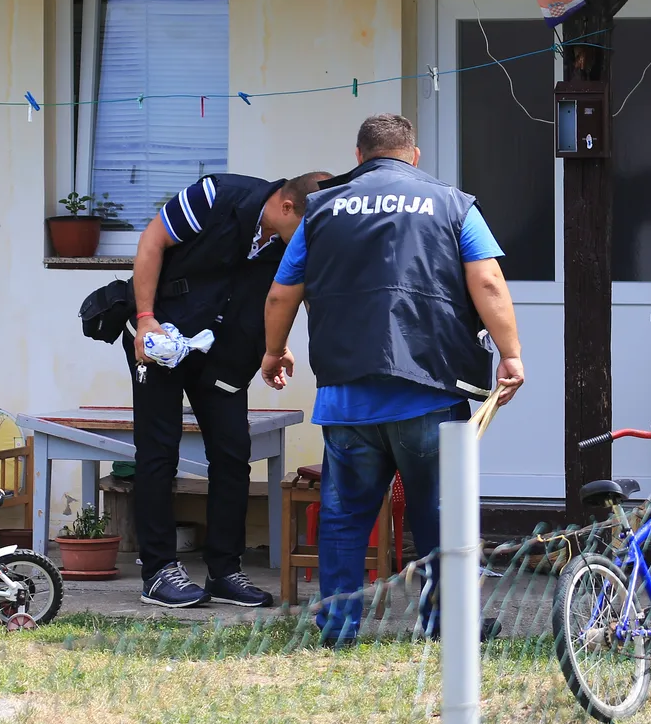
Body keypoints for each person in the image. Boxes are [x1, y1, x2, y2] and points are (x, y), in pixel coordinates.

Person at [261, 113, 524, 645]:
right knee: (441, 515)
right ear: (414, 156)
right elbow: (488, 281)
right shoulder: (452, 204)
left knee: (343, 519)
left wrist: (274, 352)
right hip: (429, 390)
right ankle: (446, 625)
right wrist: (510, 353)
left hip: (346, 397)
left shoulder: (321, 209)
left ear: (359, 157)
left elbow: (282, 293)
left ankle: (338, 628)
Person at [127, 169, 332, 609]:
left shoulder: (290, 239)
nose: (313, 242)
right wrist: (145, 318)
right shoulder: (216, 195)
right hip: (164, 338)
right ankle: (158, 571)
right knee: (158, 451)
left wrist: (277, 347)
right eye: (309, 230)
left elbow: (289, 295)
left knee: (233, 453)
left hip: (226, 352)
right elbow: (151, 242)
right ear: (287, 206)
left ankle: (224, 570)